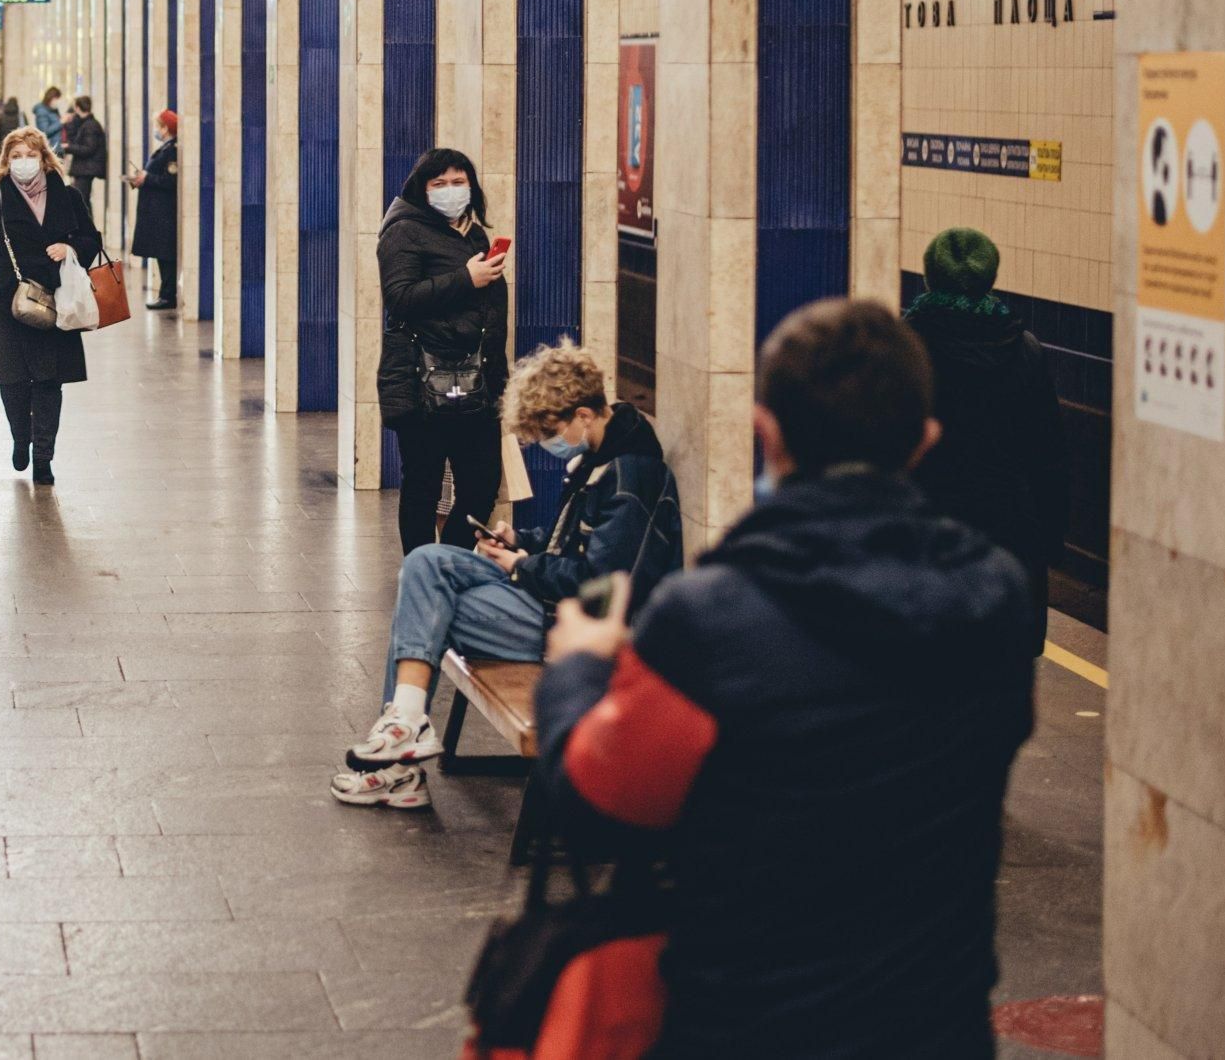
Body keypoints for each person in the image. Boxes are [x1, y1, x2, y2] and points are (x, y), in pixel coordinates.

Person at [537, 298, 1037, 1060]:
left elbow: (600, 800)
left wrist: (577, 669)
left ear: (765, 436)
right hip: (936, 1029)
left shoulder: (708, 621)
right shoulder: (995, 602)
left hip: (747, 1025)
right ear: (924, 442)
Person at [331, 342, 681, 808]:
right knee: (425, 563)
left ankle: (401, 756)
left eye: (550, 432)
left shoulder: (630, 476)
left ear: (583, 414)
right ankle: (406, 726)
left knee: (429, 603)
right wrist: (523, 540)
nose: (548, 444)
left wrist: (522, 566)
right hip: (549, 604)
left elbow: (601, 585)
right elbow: (571, 544)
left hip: (577, 630)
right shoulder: (603, 455)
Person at [905, 226, 1069, 651]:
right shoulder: (1025, 350)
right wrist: (1049, 542)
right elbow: (1048, 456)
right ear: (989, 277)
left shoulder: (905, 350)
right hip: (1009, 538)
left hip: (926, 540)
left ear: (929, 277)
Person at [378, 147, 511, 552]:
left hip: (476, 380)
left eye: (459, 182)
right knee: (423, 484)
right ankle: (422, 572)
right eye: (440, 184)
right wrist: (465, 278)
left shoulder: (470, 230)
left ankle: (448, 558)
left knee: (482, 484)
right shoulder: (403, 230)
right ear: (422, 188)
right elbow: (399, 297)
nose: (451, 191)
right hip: (422, 380)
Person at [0, 126, 103, 488]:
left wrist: (70, 249)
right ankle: (21, 437)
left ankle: (43, 456)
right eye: (16, 156)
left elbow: (91, 238)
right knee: (13, 381)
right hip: (10, 303)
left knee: (49, 382)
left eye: (30, 155)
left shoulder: (67, 197)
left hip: (56, 304)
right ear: (6, 162)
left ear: (44, 158)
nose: (24, 163)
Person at [126, 108, 181, 310]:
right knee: (161, 253)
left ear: (166, 128)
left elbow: (171, 180)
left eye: (158, 126)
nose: (156, 130)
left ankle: (168, 295)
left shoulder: (173, 150)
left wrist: (147, 178)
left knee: (166, 253)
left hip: (164, 211)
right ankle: (165, 293)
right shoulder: (165, 148)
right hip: (156, 210)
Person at [64, 93, 108, 220]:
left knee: (82, 201)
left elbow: (89, 148)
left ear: (77, 108)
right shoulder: (84, 123)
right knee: (83, 202)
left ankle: (87, 231)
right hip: (84, 169)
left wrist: (68, 147)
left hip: (86, 170)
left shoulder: (91, 125)